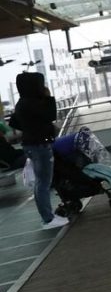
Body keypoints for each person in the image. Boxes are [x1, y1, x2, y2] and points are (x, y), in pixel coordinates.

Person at [12, 72, 68, 229]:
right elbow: (51, 115)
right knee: (43, 183)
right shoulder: (31, 103)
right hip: (39, 146)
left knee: (41, 182)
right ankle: (48, 219)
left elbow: (15, 122)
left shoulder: (22, 102)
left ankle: (48, 216)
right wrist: (49, 98)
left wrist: (32, 128)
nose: (42, 87)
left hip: (32, 144)